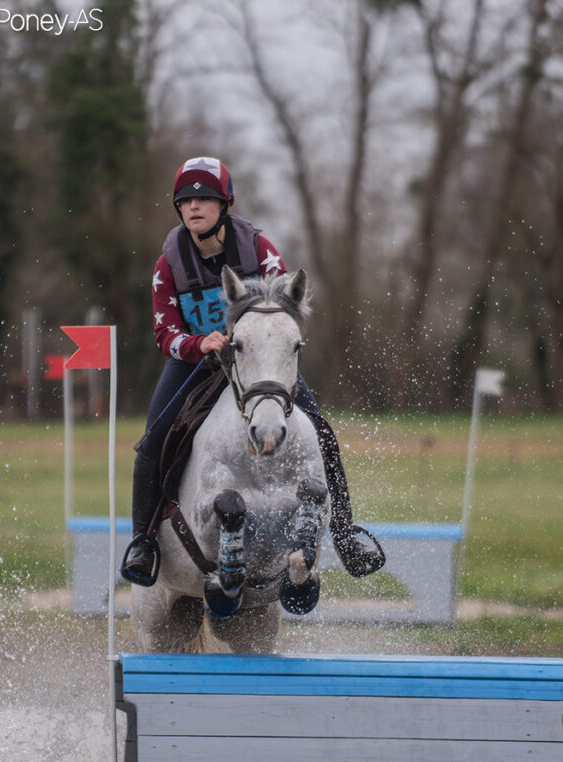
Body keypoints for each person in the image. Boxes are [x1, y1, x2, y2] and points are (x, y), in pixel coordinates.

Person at [121, 156, 384, 585]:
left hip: (259, 364)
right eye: (186, 201)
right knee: (153, 440)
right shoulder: (168, 264)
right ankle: (144, 541)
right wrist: (198, 342)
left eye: (204, 199)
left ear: (225, 204)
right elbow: (163, 332)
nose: (194, 207)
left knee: (319, 429)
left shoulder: (259, 250)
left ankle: (345, 534)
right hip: (197, 364)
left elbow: (286, 312)